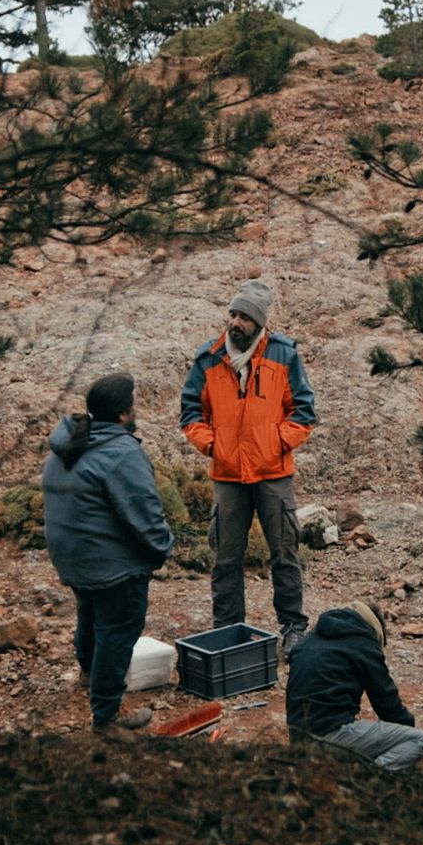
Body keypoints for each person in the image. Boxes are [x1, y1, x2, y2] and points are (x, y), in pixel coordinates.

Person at [179, 280, 317, 659]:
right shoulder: (208, 358)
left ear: (258, 323)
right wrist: (213, 447)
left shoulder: (284, 354)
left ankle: (293, 628)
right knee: (226, 557)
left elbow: (304, 412)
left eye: (244, 317)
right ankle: (228, 632)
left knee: (284, 553)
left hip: (274, 475)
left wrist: (275, 445)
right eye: (233, 315)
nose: (235, 323)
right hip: (227, 477)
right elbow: (191, 412)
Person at [42, 373, 175, 733]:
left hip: (71, 557)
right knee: (118, 629)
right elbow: (144, 513)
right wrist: (164, 548)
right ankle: (107, 715)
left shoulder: (68, 444)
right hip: (110, 565)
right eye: (133, 404)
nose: (136, 409)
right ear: (122, 414)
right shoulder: (120, 454)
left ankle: (88, 672)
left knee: (90, 612)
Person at [285, 601, 423, 771]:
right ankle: (369, 780)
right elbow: (386, 704)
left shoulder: (308, 640)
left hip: (298, 739)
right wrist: (405, 729)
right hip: (330, 735)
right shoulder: (363, 643)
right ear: (375, 631)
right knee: (419, 740)